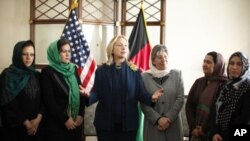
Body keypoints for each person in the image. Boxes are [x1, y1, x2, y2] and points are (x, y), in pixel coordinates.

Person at [80, 35, 163, 141]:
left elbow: (141, 94)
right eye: (119, 45)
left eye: (125, 45)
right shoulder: (101, 71)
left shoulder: (135, 72)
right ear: (112, 49)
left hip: (128, 125)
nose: (123, 48)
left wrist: (151, 98)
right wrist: (88, 96)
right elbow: (97, 93)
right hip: (105, 124)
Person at [40, 38, 86, 141]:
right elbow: (49, 100)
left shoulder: (73, 68)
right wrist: (65, 119)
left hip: (76, 123)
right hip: (57, 125)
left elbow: (80, 92)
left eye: (69, 51)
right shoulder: (47, 72)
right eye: (63, 51)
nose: (67, 54)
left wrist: (80, 115)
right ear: (55, 53)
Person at [0, 40, 43, 141]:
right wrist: (27, 123)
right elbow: (9, 103)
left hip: (37, 127)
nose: (29, 58)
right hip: (15, 128)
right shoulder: (7, 75)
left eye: (32, 54)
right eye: (24, 54)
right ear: (17, 54)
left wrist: (38, 120)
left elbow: (43, 100)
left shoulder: (37, 75)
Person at [139, 44, 184, 141]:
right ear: (153, 61)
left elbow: (180, 99)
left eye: (165, 56)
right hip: (153, 127)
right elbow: (143, 102)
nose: (163, 59)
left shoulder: (177, 74)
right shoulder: (143, 77)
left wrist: (168, 119)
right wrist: (158, 119)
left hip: (173, 126)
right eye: (159, 57)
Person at [185, 51, 227, 141]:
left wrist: (204, 129)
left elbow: (221, 112)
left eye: (208, 62)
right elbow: (189, 106)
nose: (204, 64)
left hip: (212, 134)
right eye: (204, 61)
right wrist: (193, 127)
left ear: (218, 65)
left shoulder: (225, 85)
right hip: (194, 132)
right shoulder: (198, 82)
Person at [211, 51, 250, 141]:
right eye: (231, 63)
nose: (234, 67)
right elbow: (214, 111)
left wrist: (225, 137)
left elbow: (245, 120)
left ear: (245, 67)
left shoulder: (248, 87)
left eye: (239, 64)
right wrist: (214, 133)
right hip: (217, 135)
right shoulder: (223, 86)